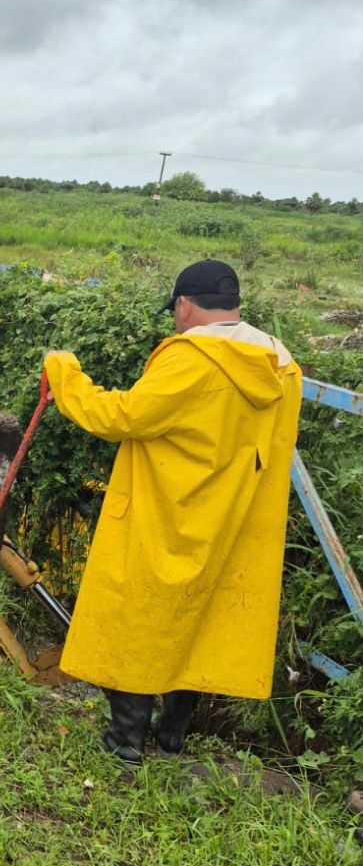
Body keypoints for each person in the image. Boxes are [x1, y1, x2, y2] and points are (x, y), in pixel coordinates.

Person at [43, 260, 302, 764]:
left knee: (136, 615)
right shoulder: (281, 363)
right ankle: (173, 733)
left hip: (165, 513)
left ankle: (126, 737)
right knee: (200, 619)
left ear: (184, 305)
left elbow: (120, 416)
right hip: (233, 520)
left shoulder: (192, 358)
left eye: (175, 312)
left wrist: (64, 372)